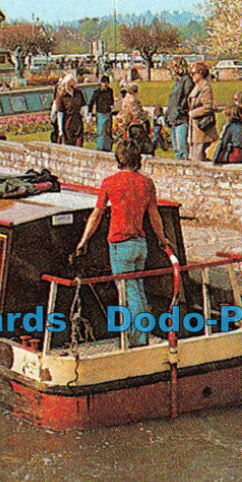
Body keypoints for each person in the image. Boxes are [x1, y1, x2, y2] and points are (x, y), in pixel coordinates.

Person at [75, 141, 172, 348]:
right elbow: (154, 215)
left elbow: (97, 215)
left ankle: (137, 342)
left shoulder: (110, 182)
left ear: (118, 159)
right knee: (138, 289)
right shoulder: (147, 183)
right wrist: (162, 239)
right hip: (140, 244)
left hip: (120, 244)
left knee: (128, 293)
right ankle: (138, 336)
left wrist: (84, 240)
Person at [187, 62, 216, 162]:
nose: (192, 75)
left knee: (199, 160)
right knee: (194, 158)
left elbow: (208, 107)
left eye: (194, 73)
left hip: (203, 130)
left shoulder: (206, 87)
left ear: (201, 73)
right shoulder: (197, 86)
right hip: (195, 128)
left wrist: (193, 113)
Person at [165, 58, 193, 160]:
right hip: (173, 118)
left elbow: (186, 99)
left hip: (180, 118)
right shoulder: (178, 81)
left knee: (181, 148)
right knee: (176, 149)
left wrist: (179, 111)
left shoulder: (186, 80)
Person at [91, 73, 115, 153]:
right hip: (100, 113)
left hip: (108, 113)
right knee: (101, 132)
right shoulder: (97, 92)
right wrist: (90, 113)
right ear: (101, 83)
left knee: (108, 131)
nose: (105, 84)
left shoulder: (110, 91)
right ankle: (100, 148)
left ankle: (108, 147)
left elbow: (112, 101)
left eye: (107, 83)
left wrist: (111, 106)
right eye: (104, 82)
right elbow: (92, 102)